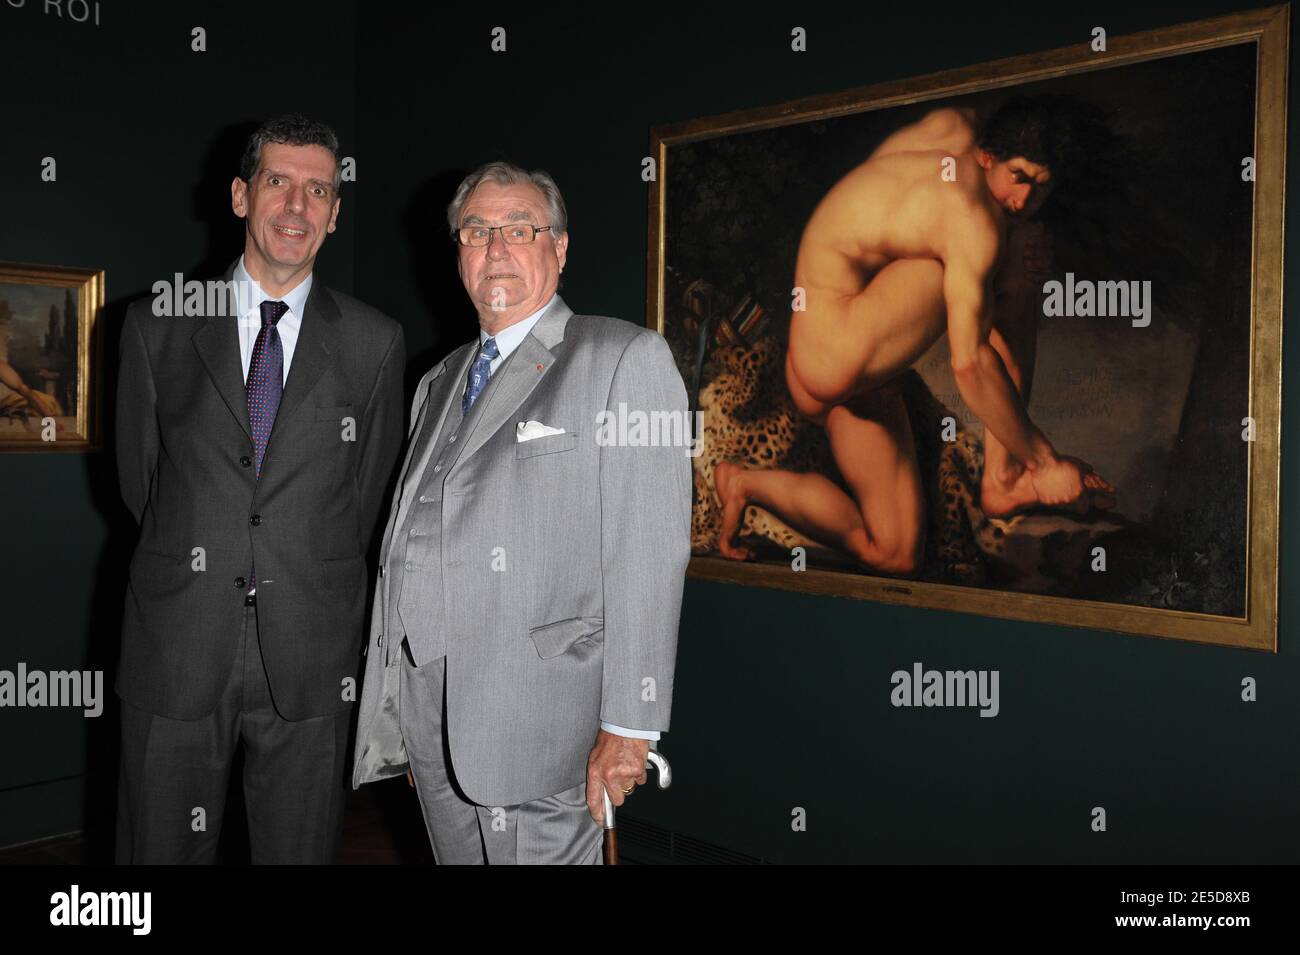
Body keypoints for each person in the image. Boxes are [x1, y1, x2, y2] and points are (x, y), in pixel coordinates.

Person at [352, 161, 691, 864]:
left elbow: (649, 551)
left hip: (546, 728)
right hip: (434, 723)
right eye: (476, 231)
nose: (496, 247)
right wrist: (406, 711)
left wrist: (629, 725)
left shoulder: (621, 356)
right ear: (458, 254)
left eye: (519, 228)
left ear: (559, 248)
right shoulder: (439, 380)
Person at [114, 114, 405, 863]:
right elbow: (140, 483)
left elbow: (365, 497)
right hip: (178, 639)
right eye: (279, 182)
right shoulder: (156, 326)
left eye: (319, 189)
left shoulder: (375, 343)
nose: (297, 206)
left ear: (336, 213)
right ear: (242, 195)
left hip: (311, 649)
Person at [714, 95, 1117, 572]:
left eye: (1041, 189)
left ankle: (742, 484)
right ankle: (1005, 477)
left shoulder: (951, 126)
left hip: (838, 365)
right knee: (1014, 254)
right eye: (1020, 177)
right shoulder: (975, 221)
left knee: (894, 555)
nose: (1024, 199)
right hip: (835, 351)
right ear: (989, 156)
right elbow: (968, 363)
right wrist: (1044, 461)